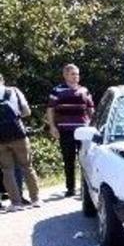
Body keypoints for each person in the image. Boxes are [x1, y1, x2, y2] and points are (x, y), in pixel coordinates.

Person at [45, 63, 94, 198]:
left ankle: (86, 188)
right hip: (65, 130)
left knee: (85, 159)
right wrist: (52, 126)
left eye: (77, 74)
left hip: (84, 131)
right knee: (69, 159)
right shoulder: (57, 91)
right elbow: (50, 109)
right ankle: (70, 188)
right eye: (73, 74)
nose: (76, 77)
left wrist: (94, 126)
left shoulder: (84, 90)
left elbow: (91, 109)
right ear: (65, 75)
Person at [0, 74, 40, 210]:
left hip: (0, 140)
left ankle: (16, 203)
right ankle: (35, 199)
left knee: (7, 170)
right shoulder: (14, 91)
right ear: (2, 80)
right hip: (18, 134)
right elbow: (27, 111)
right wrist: (17, 117)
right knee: (27, 166)